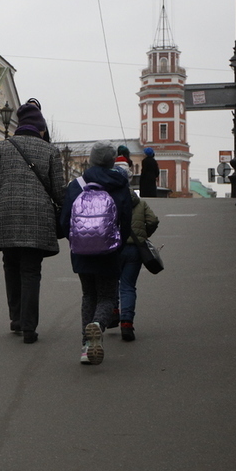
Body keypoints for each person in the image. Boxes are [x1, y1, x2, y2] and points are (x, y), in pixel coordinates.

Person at [0, 103, 64, 344]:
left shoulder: (3, 148)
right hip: (38, 219)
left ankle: (16, 318)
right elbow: (59, 193)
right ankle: (29, 328)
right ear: (40, 127)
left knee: (11, 266)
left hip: (6, 216)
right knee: (31, 272)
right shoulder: (50, 151)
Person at [59, 142, 133, 364]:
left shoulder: (77, 185)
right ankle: (98, 325)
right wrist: (118, 244)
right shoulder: (120, 186)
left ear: (91, 160)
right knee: (107, 296)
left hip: (81, 251)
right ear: (112, 161)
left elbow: (64, 221)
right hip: (109, 251)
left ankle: (85, 347)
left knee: (88, 295)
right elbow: (126, 220)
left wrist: (76, 241)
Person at [118, 188, 159, 343]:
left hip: (114, 248)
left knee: (111, 281)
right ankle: (127, 323)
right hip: (135, 249)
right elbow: (153, 221)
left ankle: (113, 312)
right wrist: (144, 234)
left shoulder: (111, 202)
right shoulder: (141, 204)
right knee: (128, 286)